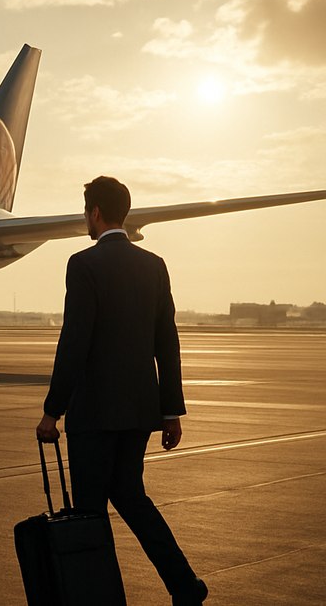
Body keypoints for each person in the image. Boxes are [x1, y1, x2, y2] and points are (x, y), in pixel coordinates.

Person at [36, 176, 208, 605]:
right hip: (138, 412)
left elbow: (75, 341)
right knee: (131, 497)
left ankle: (100, 597)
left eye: (85, 212)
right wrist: (171, 411)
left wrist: (52, 411)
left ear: (95, 213)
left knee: (91, 513)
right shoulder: (154, 264)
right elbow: (166, 342)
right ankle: (185, 586)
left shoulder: (83, 264)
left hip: (94, 415)